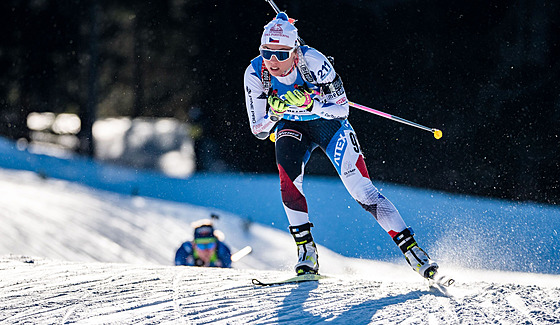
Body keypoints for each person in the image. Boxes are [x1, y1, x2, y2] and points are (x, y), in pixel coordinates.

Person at [243, 12, 439, 278]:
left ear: (295, 50)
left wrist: (310, 104)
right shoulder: (255, 73)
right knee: (288, 180)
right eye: (266, 52)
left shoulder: (314, 62)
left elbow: (342, 109)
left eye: (280, 54)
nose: (272, 61)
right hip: (291, 126)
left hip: (329, 126)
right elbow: (259, 130)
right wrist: (275, 115)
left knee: (361, 190)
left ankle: (413, 251)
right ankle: (306, 251)